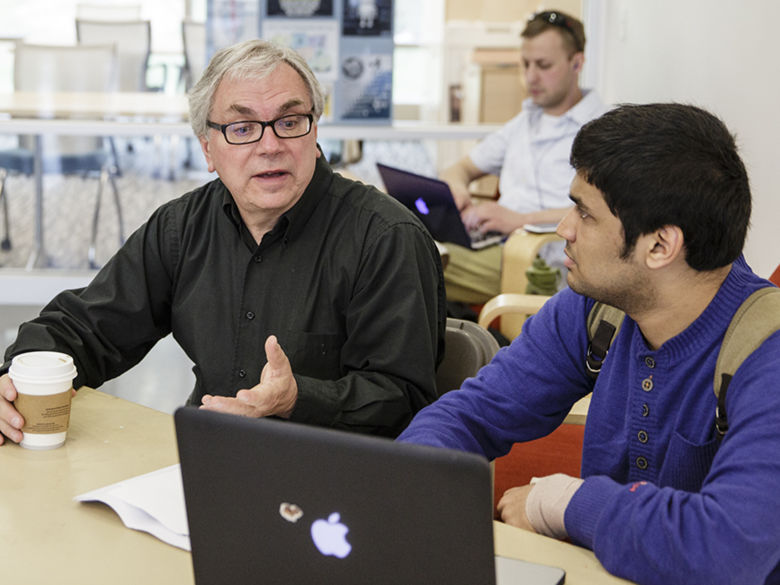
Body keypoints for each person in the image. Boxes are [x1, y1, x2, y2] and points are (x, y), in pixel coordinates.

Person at [398, 104, 780, 584]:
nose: (564, 229)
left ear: (660, 246)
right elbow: (469, 415)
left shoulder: (767, 353)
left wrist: (562, 502)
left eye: (584, 213)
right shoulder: (597, 308)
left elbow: (726, 551)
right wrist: (413, 484)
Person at [0, 39, 446, 444]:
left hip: (334, 483)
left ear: (314, 131)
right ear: (208, 150)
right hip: (207, 461)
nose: (270, 145)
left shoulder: (386, 239)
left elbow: (404, 399)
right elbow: (87, 327)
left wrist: (296, 399)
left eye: (290, 121)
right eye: (243, 128)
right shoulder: (182, 228)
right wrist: (12, 378)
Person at [440, 10, 608, 305]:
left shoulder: (602, 130)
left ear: (577, 63)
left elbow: (606, 212)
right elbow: (462, 168)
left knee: (413, 262)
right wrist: (457, 188)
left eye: (543, 65)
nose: (530, 76)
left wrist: (520, 220)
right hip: (497, 246)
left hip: (543, 259)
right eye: (526, 64)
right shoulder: (524, 122)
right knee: (409, 249)